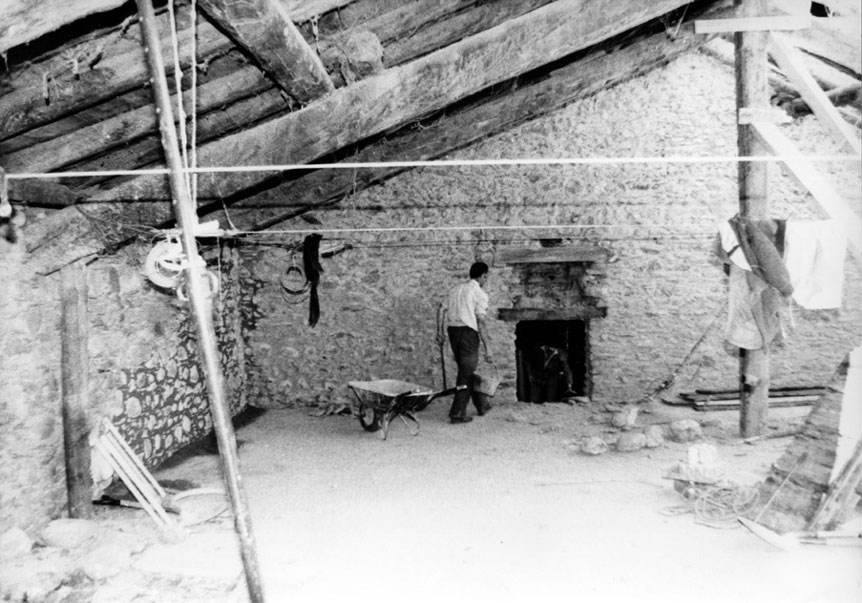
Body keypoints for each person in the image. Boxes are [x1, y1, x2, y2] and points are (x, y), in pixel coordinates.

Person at [437, 261, 493, 424]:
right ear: (483, 275)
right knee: (467, 373)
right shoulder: (478, 293)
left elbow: (441, 309)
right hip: (468, 333)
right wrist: (488, 348)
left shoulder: (455, 289)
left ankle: (482, 405)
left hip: (453, 331)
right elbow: (481, 322)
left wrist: (440, 332)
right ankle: (457, 413)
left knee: (467, 369)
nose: (486, 280)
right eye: (486, 277)